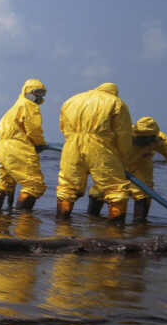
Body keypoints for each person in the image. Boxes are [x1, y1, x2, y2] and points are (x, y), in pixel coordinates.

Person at [86, 117, 167, 221]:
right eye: (140, 139)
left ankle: (139, 224)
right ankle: (92, 219)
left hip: (141, 165)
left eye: (147, 140)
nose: (143, 143)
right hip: (116, 164)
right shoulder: (123, 135)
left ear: (154, 137)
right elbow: (99, 150)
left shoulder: (159, 139)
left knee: (143, 193)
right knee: (100, 190)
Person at [55, 82, 133, 222]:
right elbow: (123, 134)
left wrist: (74, 141)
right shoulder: (116, 102)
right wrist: (122, 156)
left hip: (71, 146)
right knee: (115, 190)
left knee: (67, 187)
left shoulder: (71, 100)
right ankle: (115, 234)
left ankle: (61, 227)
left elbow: (63, 127)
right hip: (100, 147)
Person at [0, 79, 49, 212]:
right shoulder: (29, 105)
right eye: (36, 92)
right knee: (34, 184)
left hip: (1, 148)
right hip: (17, 147)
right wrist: (40, 144)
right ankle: (23, 223)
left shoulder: (16, 106)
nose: (39, 96)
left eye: (42, 93)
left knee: (5, 183)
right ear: (27, 91)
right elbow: (33, 129)